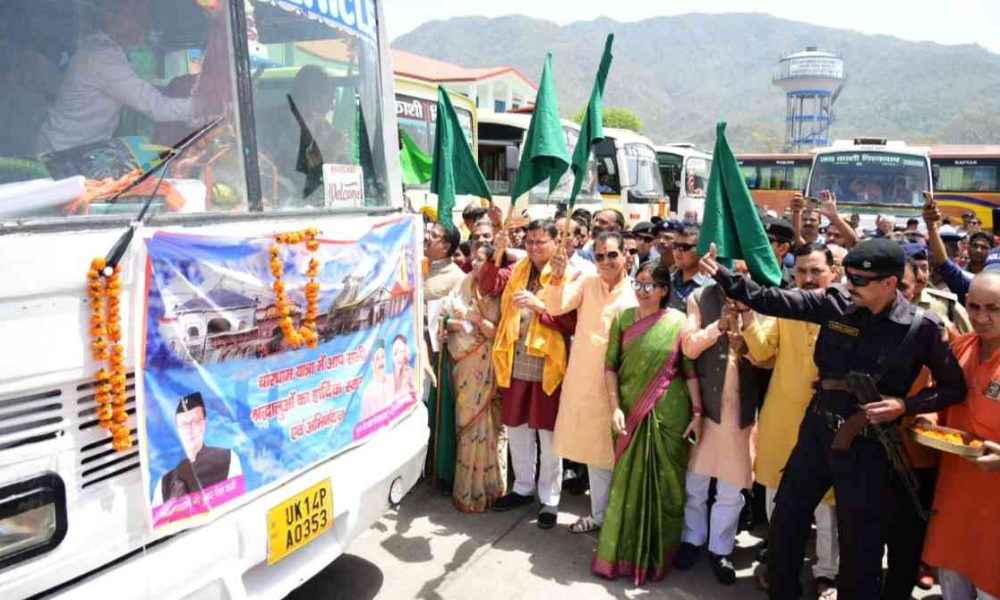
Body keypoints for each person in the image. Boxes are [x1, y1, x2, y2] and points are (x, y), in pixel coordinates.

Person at [698, 238, 967, 599]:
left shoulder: (922, 328)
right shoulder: (834, 303)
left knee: (860, 542)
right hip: (818, 429)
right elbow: (770, 299)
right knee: (786, 522)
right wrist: (724, 275)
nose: (849, 284)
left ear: (889, 283)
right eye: (848, 276)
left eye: (859, 280)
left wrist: (904, 405)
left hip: (869, 445)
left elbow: (953, 388)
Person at [742, 244, 840, 598]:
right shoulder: (785, 306)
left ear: (834, 272)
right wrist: (748, 317)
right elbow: (762, 351)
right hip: (782, 417)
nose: (809, 279)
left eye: (816, 271)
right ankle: (780, 561)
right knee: (776, 496)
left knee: (827, 505)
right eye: (801, 272)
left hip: (829, 420)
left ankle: (827, 573)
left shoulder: (848, 310)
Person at [593, 265, 700, 585]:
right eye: (638, 284)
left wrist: (697, 412)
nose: (643, 290)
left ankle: (656, 558)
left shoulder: (678, 322)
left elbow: (689, 370)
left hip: (670, 413)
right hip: (629, 409)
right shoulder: (623, 319)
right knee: (626, 484)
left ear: (665, 290)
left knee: (666, 487)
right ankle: (619, 557)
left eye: (651, 285)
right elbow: (610, 366)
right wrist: (615, 407)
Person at [483, 220, 576, 529]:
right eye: (530, 241)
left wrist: (540, 307)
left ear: (555, 243)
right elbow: (488, 285)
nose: (534, 247)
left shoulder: (570, 273)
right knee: (517, 426)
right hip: (515, 356)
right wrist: (496, 253)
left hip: (548, 361)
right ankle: (523, 487)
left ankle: (550, 498)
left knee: (548, 434)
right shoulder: (519, 269)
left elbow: (571, 323)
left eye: (541, 242)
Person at [544, 231, 638, 533]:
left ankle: (615, 518)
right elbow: (555, 307)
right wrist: (557, 277)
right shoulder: (586, 283)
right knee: (595, 455)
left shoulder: (636, 295)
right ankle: (600, 516)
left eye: (612, 254)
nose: (606, 261)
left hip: (618, 385)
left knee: (615, 454)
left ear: (625, 255)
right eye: (600, 256)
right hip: (584, 381)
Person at [675, 279, 765, 586]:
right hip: (705, 407)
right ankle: (692, 539)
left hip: (742, 412)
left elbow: (768, 356)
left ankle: (720, 549)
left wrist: (747, 325)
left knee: (730, 487)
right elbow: (688, 346)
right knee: (695, 481)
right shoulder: (701, 296)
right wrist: (718, 327)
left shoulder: (763, 299)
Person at [37, 0, 209, 152]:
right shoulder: (102, 55)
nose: (148, 25)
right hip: (62, 156)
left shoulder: (98, 47)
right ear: (120, 15)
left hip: (79, 150)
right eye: (141, 17)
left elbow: (138, 90)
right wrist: (208, 109)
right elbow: (155, 106)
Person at [923, 271, 1000, 600]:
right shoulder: (961, 347)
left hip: (994, 500)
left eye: (994, 309)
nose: (982, 318)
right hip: (955, 489)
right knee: (952, 577)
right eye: (975, 307)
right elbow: (936, 395)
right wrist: (926, 418)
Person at [442, 244, 506, 513]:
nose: (476, 263)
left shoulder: (499, 293)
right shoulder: (463, 284)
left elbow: (496, 333)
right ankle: (465, 489)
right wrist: (461, 323)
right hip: (463, 364)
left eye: (482, 259)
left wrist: (475, 319)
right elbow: (445, 318)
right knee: (465, 422)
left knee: (488, 425)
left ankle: (486, 489)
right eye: (474, 258)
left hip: (488, 365)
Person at [153, 392, 243, 505]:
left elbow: (237, 504)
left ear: (205, 422)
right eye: (184, 424)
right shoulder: (164, 483)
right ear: (177, 429)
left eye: (195, 421)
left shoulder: (228, 459)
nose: (190, 430)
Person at [667, 224, 708, 312]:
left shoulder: (711, 287)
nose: (678, 251)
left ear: (702, 249)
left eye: (685, 247)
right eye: (675, 245)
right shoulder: (667, 280)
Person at [360, 339, 394, 419]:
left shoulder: (393, 380)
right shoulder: (368, 392)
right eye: (377, 359)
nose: (381, 362)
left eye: (383, 357)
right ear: (372, 364)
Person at [763, 215, 796, 289]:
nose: (758, 246)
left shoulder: (795, 285)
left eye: (764, 242)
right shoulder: (743, 277)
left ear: (783, 248)